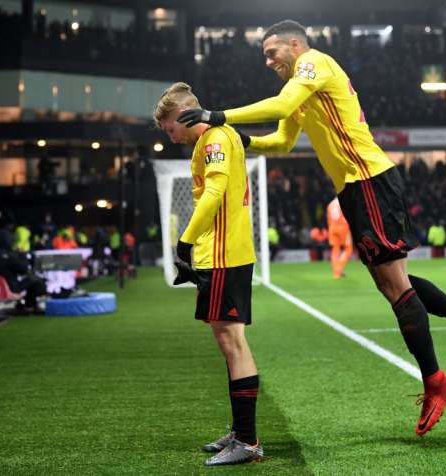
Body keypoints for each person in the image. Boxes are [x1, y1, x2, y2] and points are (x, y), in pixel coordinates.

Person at [177, 19, 446, 436]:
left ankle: (437, 379)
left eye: (273, 52)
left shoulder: (313, 63)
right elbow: (283, 140)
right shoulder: (302, 90)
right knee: (392, 282)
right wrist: (241, 139)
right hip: (355, 187)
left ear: (295, 45)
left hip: (369, 179)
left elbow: (278, 106)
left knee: (395, 286)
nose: (268, 60)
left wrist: (218, 116)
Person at [155, 82, 263, 465]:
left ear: (184, 116)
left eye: (170, 129)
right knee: (229, 342)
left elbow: (215, 195)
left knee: (233, 343)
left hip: (224, 254)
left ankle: (248, 442)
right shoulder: (220, 137)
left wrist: (184, 242)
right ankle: (242, 432)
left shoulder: (215, 138)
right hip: (221, 253)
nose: (171, 137)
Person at [0, 229, 47, 312]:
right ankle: (29, 305)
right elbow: (23, 269)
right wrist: (22, 256)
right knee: (37, 280)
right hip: (10, 288)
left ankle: (26, 305)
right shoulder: (9, 256)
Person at [327, 197, 352, 278]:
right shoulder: (343, 201)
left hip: (332, 228)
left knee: (335, 250)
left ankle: (336, 273)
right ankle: (339, 268)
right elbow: (347, 215)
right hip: (343, 227)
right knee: (348, 248)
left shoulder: (330, 204)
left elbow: (328, 219)